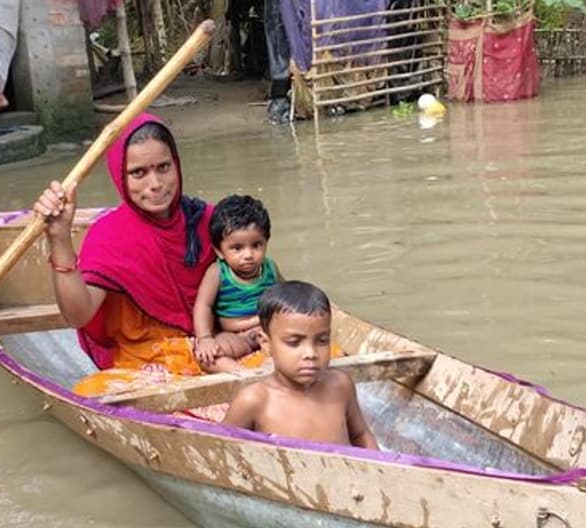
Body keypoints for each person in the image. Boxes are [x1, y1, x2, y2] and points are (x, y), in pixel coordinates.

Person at [33, 114, 258, 396]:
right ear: (120, 176)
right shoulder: (109, 235)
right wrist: (59, 237)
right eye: (138, 173)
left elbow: (255, 280)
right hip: (146, 366)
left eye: (163, 167)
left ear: (176, 164)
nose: (155, 183)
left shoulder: (209, 220)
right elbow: (78, 315)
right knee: (90, 390)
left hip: (218, 348)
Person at [222, 281, 378, 450]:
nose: (311, 353)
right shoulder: (254, 400)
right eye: (294, 343)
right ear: (266, 344)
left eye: (322, 341)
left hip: (345, 475)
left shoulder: (341, 385)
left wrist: (382, 472)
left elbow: (360, 434)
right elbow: (222, 452)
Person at [191, 195, 282, 373]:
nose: (248, 255)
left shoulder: (270, 267)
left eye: (256, 245)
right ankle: (243, 374)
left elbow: (284, 295)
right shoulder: (218, 272)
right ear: (220, 251)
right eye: (237, 248)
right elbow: (203, 306)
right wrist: (205, 338)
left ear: (266, 242)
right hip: (237, 336)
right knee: (206, 356)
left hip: (269, 328)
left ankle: (275, 362)